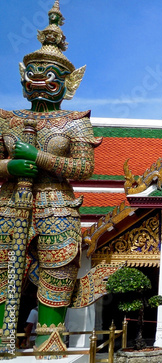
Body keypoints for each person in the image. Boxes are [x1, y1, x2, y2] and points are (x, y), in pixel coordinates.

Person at [0, 1, 101, 354]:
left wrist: (35, 156)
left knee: (57, 273)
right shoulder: (6, 119)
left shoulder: (75, 121)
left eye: (50, 74)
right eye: (33, 72)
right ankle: (2, 339)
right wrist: (9, 167)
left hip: (57, 205)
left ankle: (50, 341)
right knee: (1, 274)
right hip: (9, 203)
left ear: (68, 82)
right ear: (23, 77)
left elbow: (84, 169)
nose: (41, 79)